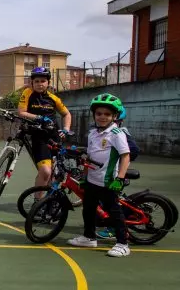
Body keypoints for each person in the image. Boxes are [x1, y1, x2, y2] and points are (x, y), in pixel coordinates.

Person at [68, 93, 131, 257]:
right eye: (99, 113)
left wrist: (120, 179)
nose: (102, 117)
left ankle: (123, 244)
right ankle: (89, 237)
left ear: (114, 116)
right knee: (88, 209)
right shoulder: (93, 133)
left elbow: (125, 156)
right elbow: (90, 157)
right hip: (92, 180)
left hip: (108, 181)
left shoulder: (117, 133)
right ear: (94, 114)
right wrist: (84, 176)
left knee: (114, 212)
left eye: (107, 114)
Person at [17, 67, 71, 197]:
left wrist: (66, 129)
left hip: (55, 137)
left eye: (43, 81)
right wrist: (39, 118)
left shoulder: (54, 98)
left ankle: (48, 201)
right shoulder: (27, 93)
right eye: (37, 81)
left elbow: (67, 114)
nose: (40, 84)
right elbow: (21, 112)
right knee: (46, 172)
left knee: (54, 173)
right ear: (32, 82)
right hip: (39, 137)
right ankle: (38, 203)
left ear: (48, 83)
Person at [96, 104, 140, 239]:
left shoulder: (121, 132)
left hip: (116, 172)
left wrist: (119, 162)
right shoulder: (99, 132)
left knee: (111, 202)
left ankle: (114, 229)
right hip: (104, 170)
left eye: (112, 119)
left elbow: (132, 150)